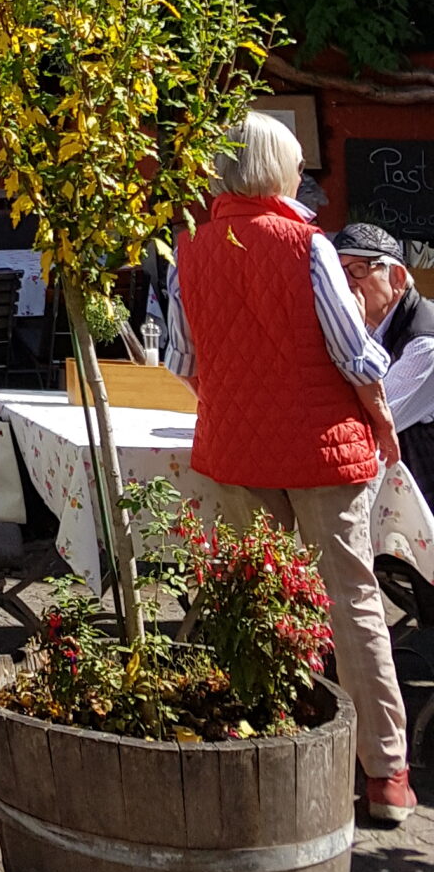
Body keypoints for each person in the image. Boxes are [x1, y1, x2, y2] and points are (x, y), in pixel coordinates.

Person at [169, 112, 413, 825]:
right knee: (353, 604)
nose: (304, 176)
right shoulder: (306, 246)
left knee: (273, 601)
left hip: (238, 452)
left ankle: (291, 749)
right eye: (298, 165)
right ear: (275, 170)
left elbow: (182, 363)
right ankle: (385, 772)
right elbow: (355, 354)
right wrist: (382, 418)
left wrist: (240, 400)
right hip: (323, 449)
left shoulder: (193, 248)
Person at [334, 221, 434, 503]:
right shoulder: (367, 325)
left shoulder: (424, 343)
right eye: (338, 273)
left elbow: (370, 422)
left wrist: (349, 333)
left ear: (398, 277)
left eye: (359, 269)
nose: (347, 283)